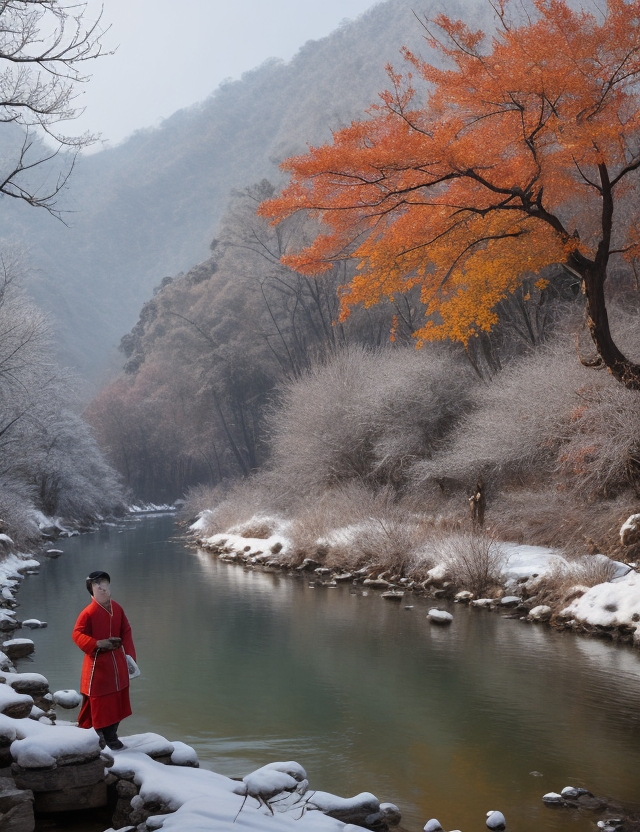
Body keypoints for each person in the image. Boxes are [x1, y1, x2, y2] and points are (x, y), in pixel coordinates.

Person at [72, 570, 136, 750]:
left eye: (104, 583)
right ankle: (98, 736)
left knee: (118, 701)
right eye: (97, 584)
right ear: (91, 590)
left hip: (118, 664)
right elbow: (77, 634)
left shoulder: (117, 608)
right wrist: (97, 643)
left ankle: (111, 735)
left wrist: (129, 657)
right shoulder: (88, 612)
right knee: (99, 703)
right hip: (98, 666)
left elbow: (126, 631)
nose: (102, 587)